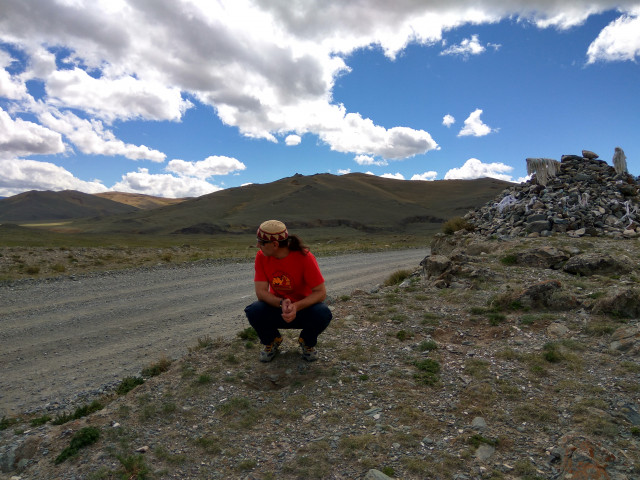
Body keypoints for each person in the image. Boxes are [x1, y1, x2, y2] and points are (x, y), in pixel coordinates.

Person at [244, 220, 332, 362]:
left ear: (275, 244)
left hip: (303, 310)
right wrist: (281, 303)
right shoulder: (261, 256)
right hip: (279, 309)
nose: (257, 246)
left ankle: (306, 341)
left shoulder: (305, 257)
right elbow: (261, 292)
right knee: (254, 310)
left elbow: (320, 292)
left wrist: (296, 306)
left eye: (261, 242)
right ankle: (272, 340)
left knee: (323, 313)